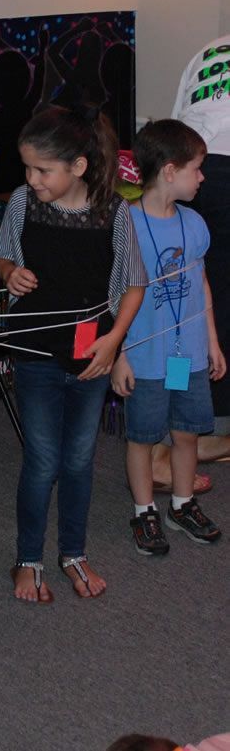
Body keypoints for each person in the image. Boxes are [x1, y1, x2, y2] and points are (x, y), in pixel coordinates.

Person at [0, 104, 146, 602]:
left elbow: (133, 284)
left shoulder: (114, 212)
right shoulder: (22, 203)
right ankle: (28, 557)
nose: (32, 179)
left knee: (79, 459)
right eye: (28, 168)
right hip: (34, 351)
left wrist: (113, 340)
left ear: (78, 166)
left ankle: (73, 552)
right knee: (42, 460)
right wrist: (8, 273)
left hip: (92, 356)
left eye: (43, 170)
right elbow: (3, 254)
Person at [111, 120, 225, 554]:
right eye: (197, 169)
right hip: (144, 356)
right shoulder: (127, 224)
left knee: (187, 433)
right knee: (142, 437)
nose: (202, 178)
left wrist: (211, 342)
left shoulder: (194, 223)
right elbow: (115, 294)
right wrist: (120, 353)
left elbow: (202, 285)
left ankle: (182, 503)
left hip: (188, 355)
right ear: (170, 171)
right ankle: (144, 511)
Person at [150, 37, 230, 487]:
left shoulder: (209, 48)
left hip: (198, 172)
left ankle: (201, 434)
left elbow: (178, 127)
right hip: (212, 173)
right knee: (192, 312)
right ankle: (164, 450)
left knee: (200, 304)